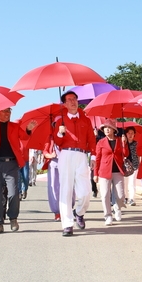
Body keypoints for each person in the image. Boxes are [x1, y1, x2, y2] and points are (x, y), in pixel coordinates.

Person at [0, 107, 36, 234]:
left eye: (9, 111)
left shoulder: (15, 127)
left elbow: (24, 137)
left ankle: (13, 218)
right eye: (5, 111)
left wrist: (28, 129)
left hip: (12, 164)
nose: (8, 113)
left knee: (14, 193)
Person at [53, 90, 97, 236]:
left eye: (75, 99)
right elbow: (57, 142)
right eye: (69, 99)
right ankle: (67, 224)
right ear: (64, 104)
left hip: (82, 155)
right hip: (66, 154)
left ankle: (79, 212)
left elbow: (91, 138)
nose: (73, 102)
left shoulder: (85, 120)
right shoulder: (60, 121)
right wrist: (60, 133)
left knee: (86, 191)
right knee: (65, 189)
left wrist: (94, 156)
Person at [93, 118, 128, 226]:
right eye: (105, 128)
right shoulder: (100, 142)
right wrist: (95, 174)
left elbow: (125, 154)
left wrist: (124, 143)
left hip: (118, 171)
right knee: (104, 195)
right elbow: (97, 159)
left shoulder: (119, 140)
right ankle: (108, 216)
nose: (107, 130)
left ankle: (117, 208)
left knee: (121, 195)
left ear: (114, 130)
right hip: (104, 172)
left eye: (109, 128)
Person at [42, 134, 61, 221]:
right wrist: (51, 155)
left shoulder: (68, 135)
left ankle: (67, 209)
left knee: (68, 187)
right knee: (54, 187)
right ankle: (57, 212)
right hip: (53, 164)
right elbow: (45, 152)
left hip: (66, 163)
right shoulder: (50, 137)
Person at [122, 126, 140, 206]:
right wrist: (123, 143)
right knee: (125, 183)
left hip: (134, 165)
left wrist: (139, 164)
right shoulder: (122, 143)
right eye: (129, 133)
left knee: (132, 182)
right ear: (126, 134)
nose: (130, 135)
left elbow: (138, 155)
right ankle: (125, 197)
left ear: (134, 134)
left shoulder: (136, 144)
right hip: (125, 166)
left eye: (132, 133)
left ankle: (132, 198)